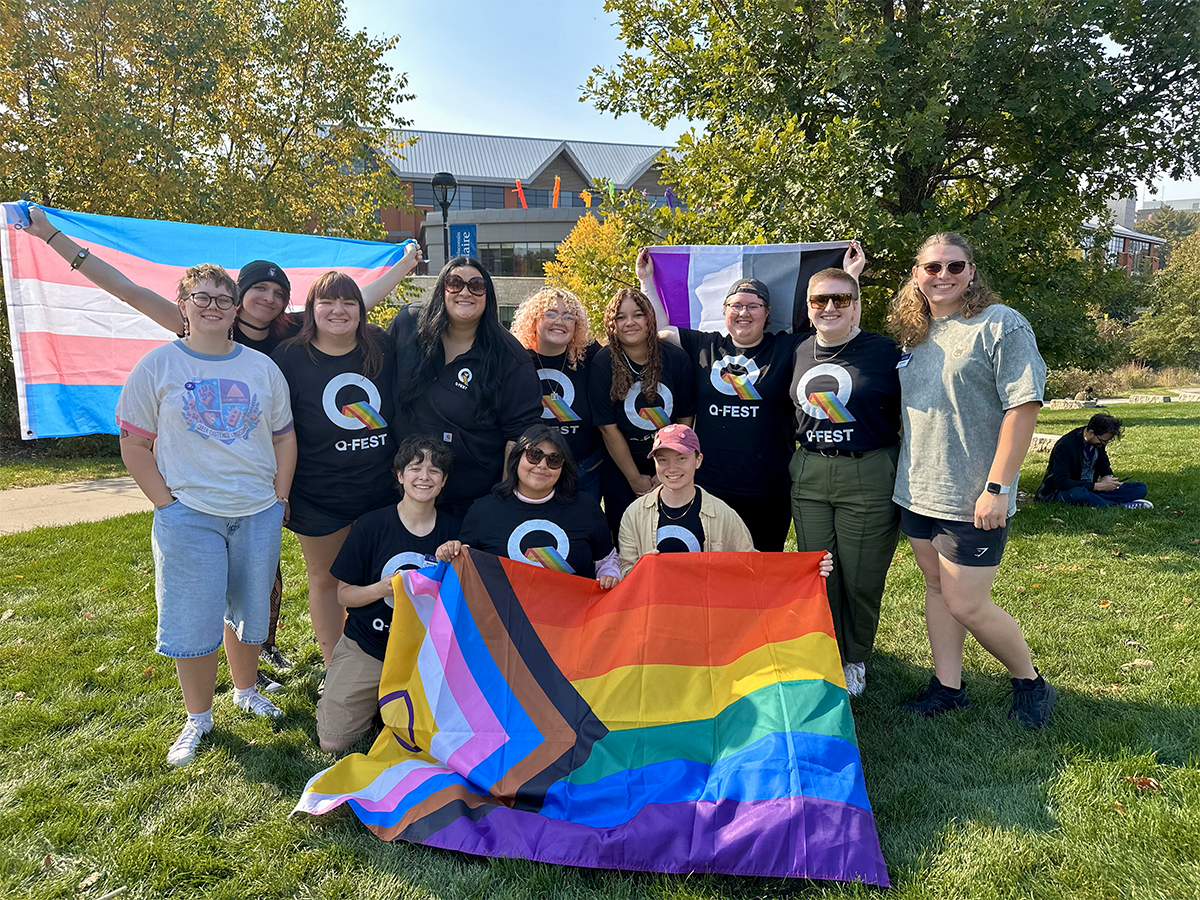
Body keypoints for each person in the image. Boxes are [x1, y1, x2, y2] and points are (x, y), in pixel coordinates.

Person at [21, 204, 421, 678]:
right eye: (259, 289)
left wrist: (403, 267)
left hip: (272, 475)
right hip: (214, 482)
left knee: (261, 578)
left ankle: (264, 654)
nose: (269, 299)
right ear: (236, 295)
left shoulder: (290, 334)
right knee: (251, 581)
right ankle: (258, 664)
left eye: (278, 292)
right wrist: (51, 237)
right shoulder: (202, 328)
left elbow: (352, 303)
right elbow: (127, 290)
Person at [114, 263, 296, 766]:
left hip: (256, 510)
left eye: (223, 297)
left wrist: (279, 494)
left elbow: (283, 435)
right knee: (194, 619)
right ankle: (198, 716)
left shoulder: (261, 369)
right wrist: (166, 505)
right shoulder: (158, 366)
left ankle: (245, 689)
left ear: (236, 308)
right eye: (202, 296)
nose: (213, 305)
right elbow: (134, 443)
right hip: (190, 513)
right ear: (184, 306)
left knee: (248, 609)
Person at [889, 231, 1056, 728]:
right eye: (932, 267)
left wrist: (998, 487)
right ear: (916, 275)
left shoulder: (999, 324)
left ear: (971, 272)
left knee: (967, 601)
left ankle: (1030, 682)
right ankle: (948, 688)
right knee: (938, 588)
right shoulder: (913, 335)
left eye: (954, 267)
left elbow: (1023, 407)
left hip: (973, 494)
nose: (943, 276)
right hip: (918, 488)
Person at [636, 244, 866, 551]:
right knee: (715, 574)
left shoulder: (786, 348)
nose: (744, 312)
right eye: (736, 305)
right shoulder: (704, 344)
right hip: (711, 487)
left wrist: (852, 277)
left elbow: (842, 327)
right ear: (725, 311)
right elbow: (660, 330)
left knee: (762, 572)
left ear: (767, 313)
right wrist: (646, 281)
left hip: (769, 490)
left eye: (754, 305)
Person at [271, 272, 397, 668]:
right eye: (327, 302)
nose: (338, 311)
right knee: (325, 580)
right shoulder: (290, 357)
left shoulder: (382, 347)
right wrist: (282, 490)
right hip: (318, 496)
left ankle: (384, 659)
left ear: (361, 311)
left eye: (348, 303)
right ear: (312, 310)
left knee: (381, 578)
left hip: (381, 492)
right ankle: (335, 666)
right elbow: (276, 431)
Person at [788, 267, 902, 697]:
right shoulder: (797, 352)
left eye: (841, 299)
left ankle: (854, 658)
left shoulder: (886, 351)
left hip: (868, 470)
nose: (830, 307)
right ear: (809, 308)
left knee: (861, 576)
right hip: (810, 472)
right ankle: (825, 653)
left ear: (857, 305)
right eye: (820, 300)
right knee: (818, 573)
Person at [319, 436, 460, 752]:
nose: (424, 476)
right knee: (332, 743)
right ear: (400, 475)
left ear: (444, 481)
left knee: (432, 741)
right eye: (415, 468)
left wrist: (453, 558)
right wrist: (386, 587)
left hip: (426, 655)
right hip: (369, 646)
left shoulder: (455, 531)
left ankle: (389, 705)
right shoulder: (371, 525)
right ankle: (363, 695)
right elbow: (344, 596)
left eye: (435, 471)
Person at [388, 257, 543, 519]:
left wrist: (501, 502)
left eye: (476, 285)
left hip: (469, 496)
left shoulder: (509, 356)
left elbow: (517, 436)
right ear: (442, 289)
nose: (465, 291)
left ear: (488, 295)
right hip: (403, 486)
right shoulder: (407, 325)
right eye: (455, 283)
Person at [618, 424, 834, 580]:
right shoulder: (634, 514)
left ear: (698, 460)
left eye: (681, 458)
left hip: (706, 612)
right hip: (656, 611)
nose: (672, 468)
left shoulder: (722, 513)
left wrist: (807, 567)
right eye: (662, 460)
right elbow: (625, 570)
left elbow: (753, 565)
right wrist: (642, 569)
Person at [437, 425, 619, 588]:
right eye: (534, 455)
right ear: (517, 458)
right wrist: (448, 553)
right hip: (504, 622)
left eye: (554, 459)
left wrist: (610, 576)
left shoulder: (586, 507)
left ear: (563, 467)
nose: (542, 465)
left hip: (574, 621)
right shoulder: (483, 511)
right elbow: (463, 567)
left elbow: (606, 561)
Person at [588, 288, 697, 539]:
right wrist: (635, 478)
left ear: (650, 318)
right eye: (620, 317)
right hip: (622, 465)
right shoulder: (604, 363)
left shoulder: (676, 359)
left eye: (637, 314)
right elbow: (608, 427)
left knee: (669, 533)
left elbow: (685, 419)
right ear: (611, 324)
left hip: (669, 460)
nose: (630, 323)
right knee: (625, 534)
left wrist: (668, 469)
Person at [510, 287, 605, 503]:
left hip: (585, 469)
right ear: (534, 320)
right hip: (533, 471)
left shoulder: (590, 356)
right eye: (550, 314)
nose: (559, 321)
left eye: (568, 316)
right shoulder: (517, 360)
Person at [1034, 413, 1151, 508]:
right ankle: (1119, 506)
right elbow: (1061, 482)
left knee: (1140, 487)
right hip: (1062, 491)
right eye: (1103, 441)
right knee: (1079, 494)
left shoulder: (1097, 443)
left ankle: (1100, 501)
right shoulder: (1065, 446)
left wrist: (1107, 477)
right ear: (1091, 433)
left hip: (1091, 489)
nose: (1104, 444)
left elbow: (1104, 465)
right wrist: (1099, 486)